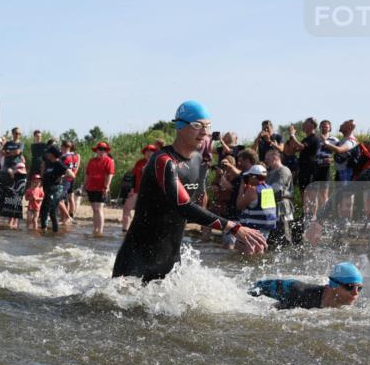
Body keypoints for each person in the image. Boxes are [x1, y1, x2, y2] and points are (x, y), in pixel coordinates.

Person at [112, 100, 267, 282]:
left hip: (169, 262)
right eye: (197, 125)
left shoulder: (197, 161)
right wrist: (233, 227)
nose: (204, 132)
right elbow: (183, 206)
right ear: (179, 126)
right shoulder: (163, 161)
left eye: (208, 127)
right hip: (136, 262)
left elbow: (195, 210)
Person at [250, 262, 363, 310]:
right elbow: (261, 288)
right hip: (289, 287)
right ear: (334, 285)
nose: (355, 292)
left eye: (359, 288)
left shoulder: (344, 305)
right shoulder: (301, 293)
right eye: (349, 287)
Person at [233, 164, 277, 251]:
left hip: (252, 230)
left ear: (253, 177)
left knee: (240, 250)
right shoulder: (269, 189)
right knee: (258, 251)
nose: (247, 179)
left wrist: (241, 189)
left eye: (249, 177)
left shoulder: (253, 190)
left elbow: (239, 206)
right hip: (264, 230)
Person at [263, 149, 294, 247]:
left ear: (275, 158)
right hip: (273, 205)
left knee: (284, 235)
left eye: (267, 158)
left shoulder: (283, 170)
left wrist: (259, 192)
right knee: (273, 237)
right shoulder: (271, 172)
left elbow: (277, 188)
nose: (265, 161)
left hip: (283, 206)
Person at [122, 144, 156, 232]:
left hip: (150, 192)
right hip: (136, 191)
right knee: (126, 208)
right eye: (147, 151)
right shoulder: (140, 162)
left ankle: (145, 231)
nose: (149, 153)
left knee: (145, 212)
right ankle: (125, 230)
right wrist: (131, 189)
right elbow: (133, 176)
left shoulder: (157, 162)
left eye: (151, 151)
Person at [39, 146, 74, 233]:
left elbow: (72, 175)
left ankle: (55, 233)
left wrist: (62, 177)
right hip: (48, 190)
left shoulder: (59, 163)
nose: (46, 154)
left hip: (56, 190)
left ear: (52, 154)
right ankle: (44, 231)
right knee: (43, 210)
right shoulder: (48, 163)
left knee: (51, 211)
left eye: (48, 152)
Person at [84, 141, 115, 236]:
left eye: (104, 149)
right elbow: (87, 174)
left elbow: (110, 174)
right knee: (94, 209)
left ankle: (100, 231)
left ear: (106, 151)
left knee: (99, 208)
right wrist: (84, 185)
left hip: (101, 188)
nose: (102, 151)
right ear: (96, 150)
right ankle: (95, 229)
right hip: (91, 187)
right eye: (100, 149)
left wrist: (107, 186)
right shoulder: (91, 161)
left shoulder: (109, 161)